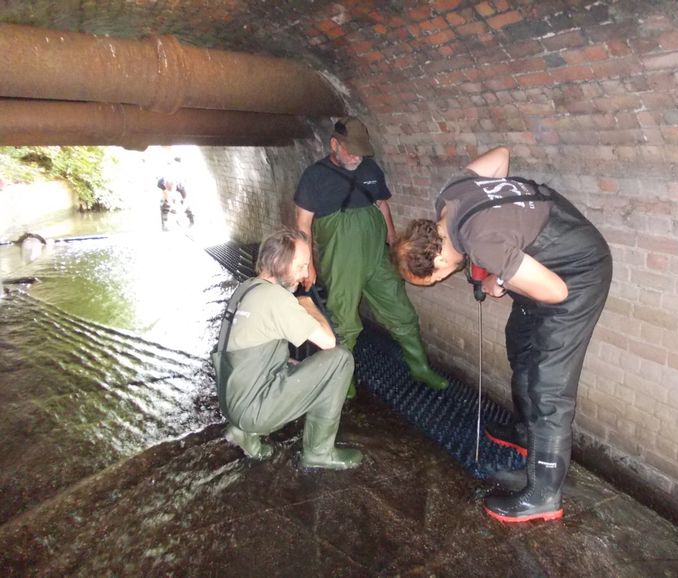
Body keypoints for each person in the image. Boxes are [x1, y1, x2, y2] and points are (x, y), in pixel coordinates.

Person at [392, 147, 612, 523]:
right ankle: (527, 434)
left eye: (435, 279)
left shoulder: (483, 243)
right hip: (543, 265)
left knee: (549, 386)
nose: (442, 280)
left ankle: (544, 494)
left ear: (440, 260)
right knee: (520, 344)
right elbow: (500, 157)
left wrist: (500, 279)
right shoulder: (450, 197)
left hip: (577, 275)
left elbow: (556, 293)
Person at [294, 116, 447, 398]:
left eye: (361, 152)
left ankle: (420, 368)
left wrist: (391, 238)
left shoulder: (370, 168)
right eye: (350, 151)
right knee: (343, 320)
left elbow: (381, 204)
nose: (356, 157)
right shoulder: (314, 177)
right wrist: (307, 265)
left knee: (401, 310)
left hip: (377, 254)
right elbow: (303, 223)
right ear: (334, 144)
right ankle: (342, 376)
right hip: (342, 258)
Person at [212, 227, 362, 470]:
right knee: (340, 360)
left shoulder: (247, 288)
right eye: (301, 266)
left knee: (300, 364)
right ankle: (319, 453)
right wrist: (308, 305)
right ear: (276, 262)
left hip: (232, 402)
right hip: (253, 409)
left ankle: (243, 432)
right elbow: (328, 342)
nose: (305, 274)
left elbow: (252, 352)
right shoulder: (276, 298)